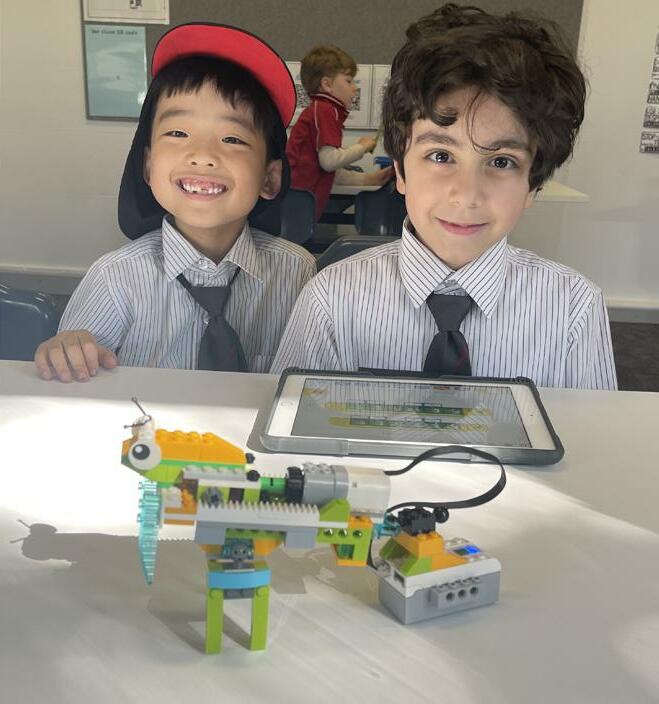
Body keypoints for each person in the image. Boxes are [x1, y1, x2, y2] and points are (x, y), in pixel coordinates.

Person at [272, 4, 617, 390]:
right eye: (441, 156)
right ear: (400, 170)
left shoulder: (574, 309)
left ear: (533, 185)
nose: (466, 195)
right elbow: (287, 423)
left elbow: (592, 428)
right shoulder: (331, 299)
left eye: (501, 161)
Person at [35, 23, 315, 382]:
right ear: (148, 165)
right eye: (178, 133)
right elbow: (75, 378)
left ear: (270, 178)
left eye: (232, 138)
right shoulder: (115, 278)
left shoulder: (297, 272)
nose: (202, 155)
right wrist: (67, 352)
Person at [287, 45, 393, 220]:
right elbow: (329, 162)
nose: (354, 88)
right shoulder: (326, 110)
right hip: (297, 205)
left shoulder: (321, 110)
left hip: (297, 203)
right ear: (327, 84)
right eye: (348, 81)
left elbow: (327, 171)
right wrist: (362, 147)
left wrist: (369, 179)